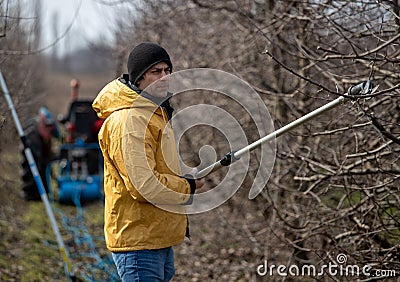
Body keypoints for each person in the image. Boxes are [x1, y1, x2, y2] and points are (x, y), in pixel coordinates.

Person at [92, 42, 204, 281]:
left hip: (157, 237)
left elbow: (159, 166)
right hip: (139, 243)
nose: (164, 77)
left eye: (167, 70)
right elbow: (144, 186)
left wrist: (186, 174)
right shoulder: (129, 121)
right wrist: (188, 186)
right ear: (139, 78)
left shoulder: (154, 112)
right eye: (156, 72)